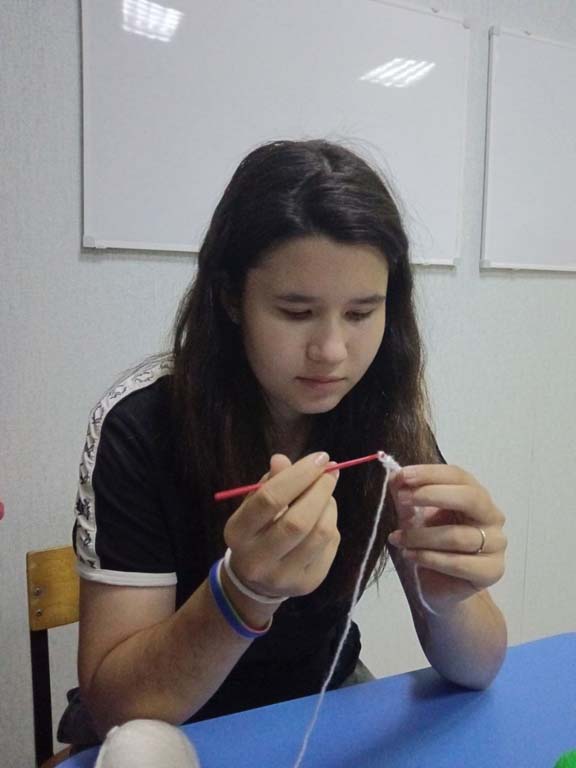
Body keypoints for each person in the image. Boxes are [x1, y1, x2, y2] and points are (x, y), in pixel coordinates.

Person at [61, 139, 507, 751]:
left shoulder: (384, 419)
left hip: (324, 703)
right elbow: (118, 705)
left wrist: (450, 595)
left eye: (361, 313)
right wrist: (242, 592)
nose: (331, 351)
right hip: (171, 729)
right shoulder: (142, 426)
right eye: (296, 312)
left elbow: (479, 668)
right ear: (230, 297)